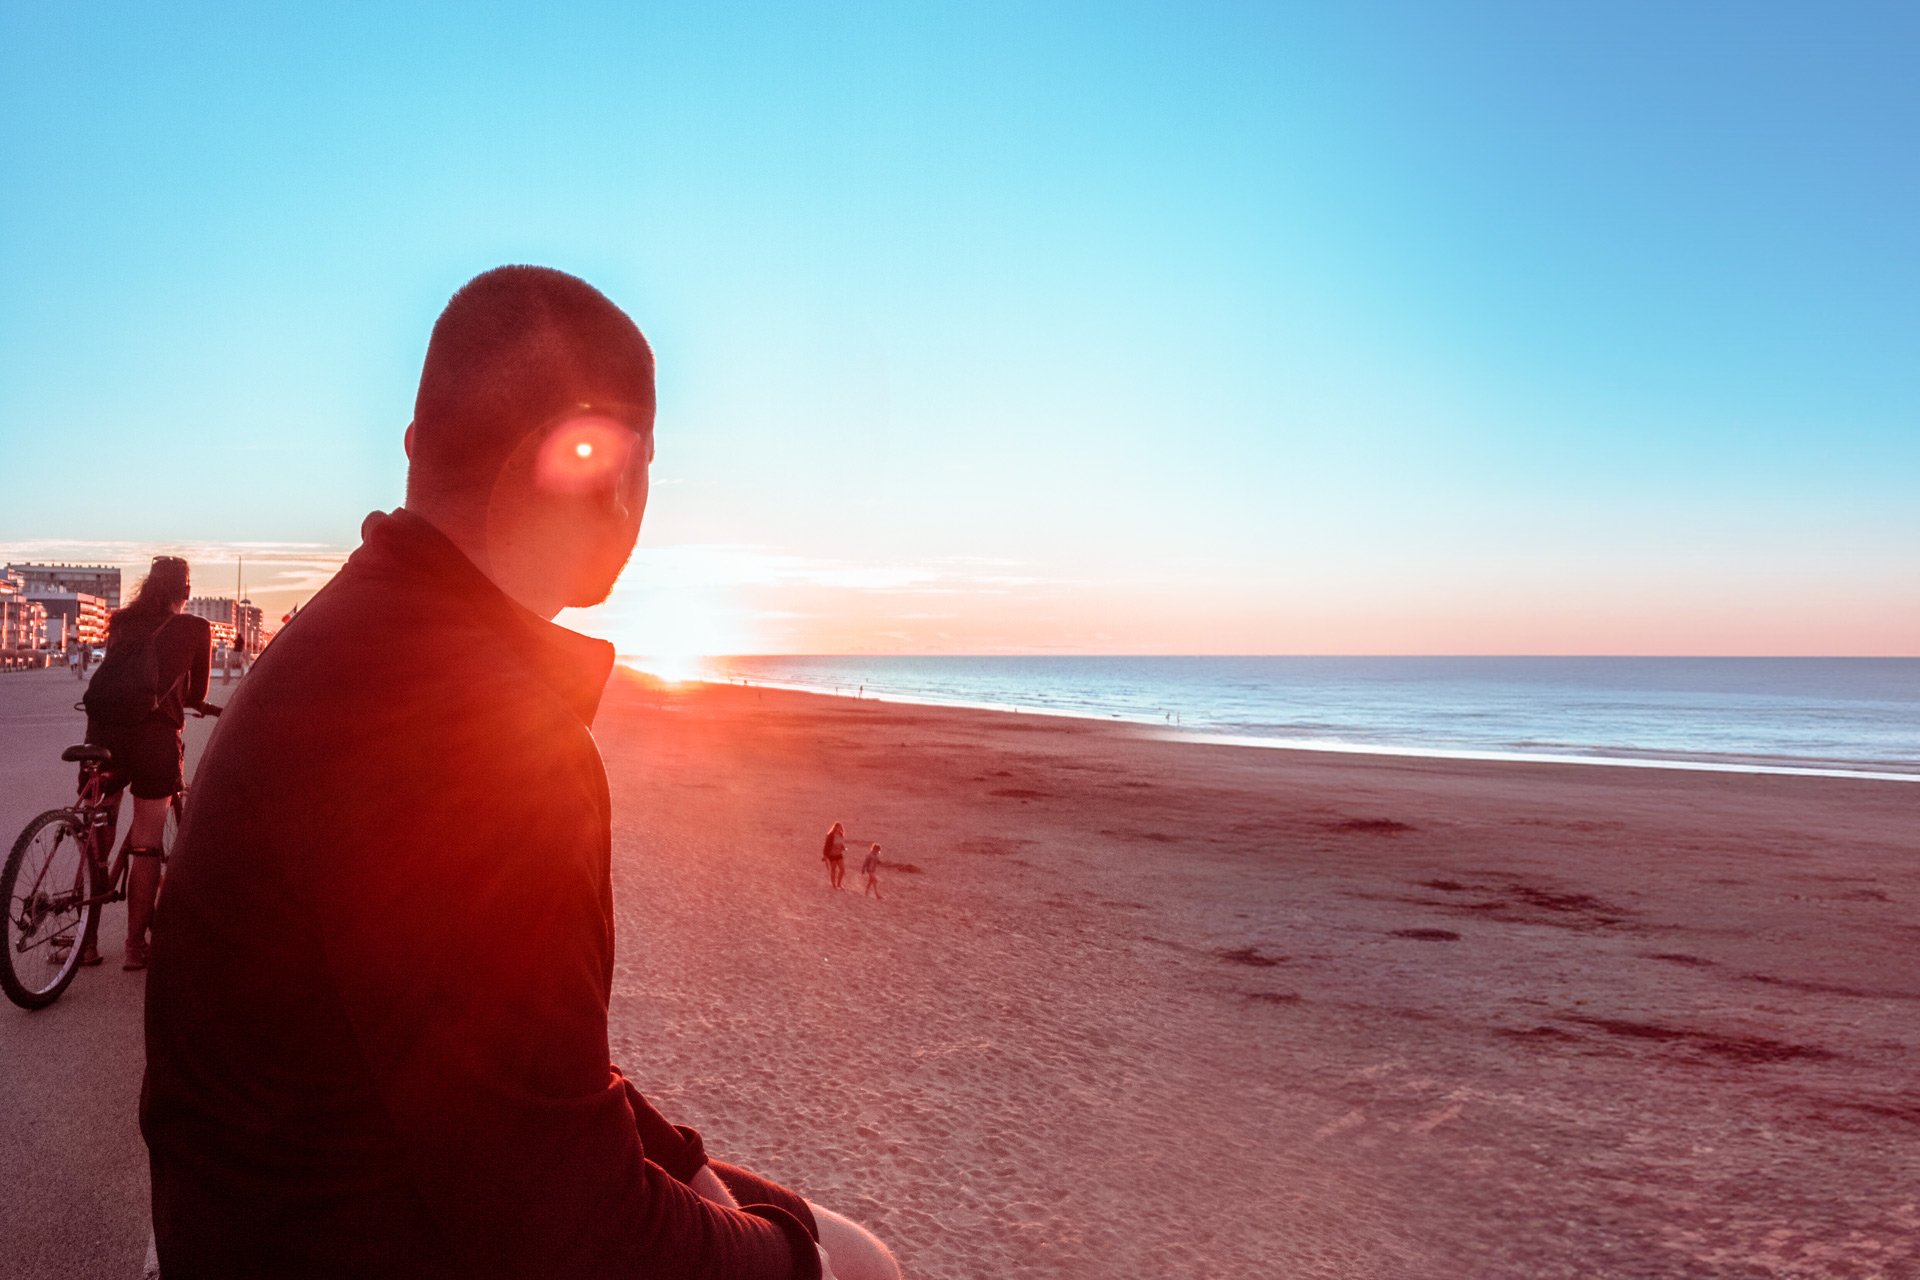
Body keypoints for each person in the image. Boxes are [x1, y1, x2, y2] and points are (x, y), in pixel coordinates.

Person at [140, 267, 897, 1280]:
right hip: (348, 1232)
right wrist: (796, 1257)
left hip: (269, 1212)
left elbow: (502, 1060)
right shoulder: (482, 737)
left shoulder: (347, 640)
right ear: (614, 479)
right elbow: (570, 1237)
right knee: (862, 1264)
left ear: (414, 449)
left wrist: (685, 1161)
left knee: (822, 1235)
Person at [77, 555, 218, 970]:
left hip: (102, 734)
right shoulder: (195, 628)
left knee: (96, 838)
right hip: (154, 741)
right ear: (185, 591)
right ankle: (136, 946)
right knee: (146, 844)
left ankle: (85, 944)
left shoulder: (120, 621)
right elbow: (194, 694)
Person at [822, 821, 847, 890]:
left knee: (842, 869)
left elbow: (841, 843)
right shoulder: (830, 835)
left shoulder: (841, 835)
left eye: (840, 828)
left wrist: (843, 848)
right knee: (833, 870)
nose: (839, 829)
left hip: (839, 854)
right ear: (835, 828)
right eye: (838, 827)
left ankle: (839, 884)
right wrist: (825, 855)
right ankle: (834, 885)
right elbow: (826, 845)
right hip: (832, 855)